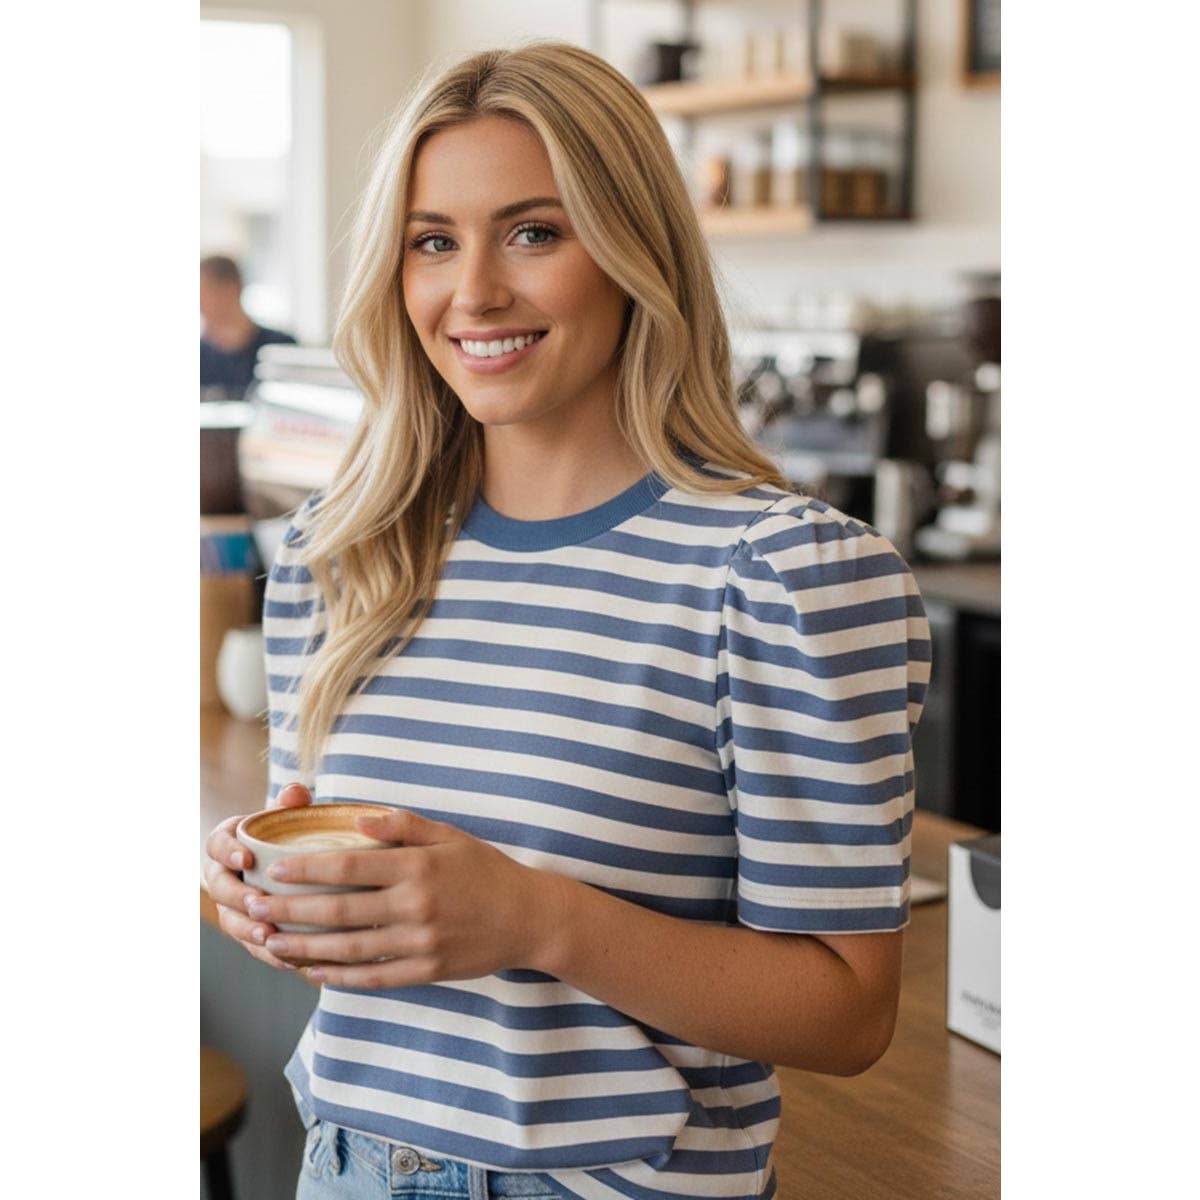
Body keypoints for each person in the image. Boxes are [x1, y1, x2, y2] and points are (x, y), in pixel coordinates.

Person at [203, 40, 931, 1200]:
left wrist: (535, 919)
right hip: (344, 1167)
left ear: (636, 253)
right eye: (432, 241)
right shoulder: (339, 558)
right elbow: (366, 909)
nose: (473, 291)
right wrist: (267, 894)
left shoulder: (784, 577)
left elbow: (847, 1011)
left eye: (535, 232)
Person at [200, 253, 297, 398]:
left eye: (205, 294)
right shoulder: (201, 357)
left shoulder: (281, 348)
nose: (200, 304)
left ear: (232, 288)